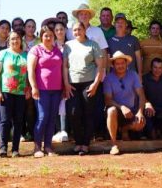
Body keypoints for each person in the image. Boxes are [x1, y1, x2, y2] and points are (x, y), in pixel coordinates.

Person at [63, 21, 105, 155]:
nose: (77, 32)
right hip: (72, 84)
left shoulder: (93, 45)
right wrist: (66, 84)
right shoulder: (68, 45)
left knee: (88, 113)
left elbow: (100, 66)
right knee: (74, 113)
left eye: (79, 29)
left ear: (84, 30)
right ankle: (78, 141)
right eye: (74, 30)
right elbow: (65, 66)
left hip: (89, 83)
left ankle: (85, 143)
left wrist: (95, 84)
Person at [28, 25, 65, 157]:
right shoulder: (35, 50)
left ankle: (48, 146)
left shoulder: (58, 51)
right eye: (45, 35)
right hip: (41, 90)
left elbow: (63, 69)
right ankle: (37, 147)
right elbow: (30, 70)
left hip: (56, 90)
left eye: (50, 35)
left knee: (51, 118)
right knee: (42, 117)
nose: (48, 38)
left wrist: (64, 87)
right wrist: (34, 87)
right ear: (41, 37)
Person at [0, 31, 30, 158]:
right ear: (9, 41)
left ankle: (15, 149)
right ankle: (3, 148)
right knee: (5, 121)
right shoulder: (3, 54)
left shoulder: (26, 55)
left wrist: (28, 88)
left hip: (20, 92)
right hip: (6, 91)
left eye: (17, 38)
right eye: (12, 39)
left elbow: (28, 75)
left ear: (21, 40)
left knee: (19, 121)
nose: (15, 41)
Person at [103, 51, 147, 155]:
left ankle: (123, 129)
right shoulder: (108, 78)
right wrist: (122, 107)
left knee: (141, 123)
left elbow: (141, 95)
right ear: (113, 65)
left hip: (131, 111)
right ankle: (114, 145)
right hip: (116, 111)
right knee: (111, 110)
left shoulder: (133, 75)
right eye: (117, 64)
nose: (120, 66)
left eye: (122, 63)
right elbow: (107, 100)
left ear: (126, 63)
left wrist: (140, 112)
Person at [142, 57, 162, 139]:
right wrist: (146, 103)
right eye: (155, 67)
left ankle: (160, 131)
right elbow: (140, 94)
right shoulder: (144, 78)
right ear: (151, 68)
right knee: (149, 130)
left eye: (160, 68)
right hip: (149, 110)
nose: (157, 70)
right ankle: (151, 132)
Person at [108, 13, 142, 78]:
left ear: (126, 24)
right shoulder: (109, 40)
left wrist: (140, 74)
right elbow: (107, 61)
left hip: (131, 76)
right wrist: (107, 75)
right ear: (114, 24)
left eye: (122, 22)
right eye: (118, 22)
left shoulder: (134, 39)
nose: (120, 24)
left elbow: (138, 58)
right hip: (114, 77)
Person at [52, 21, 70, 143]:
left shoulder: (71, 45)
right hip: (54, 79)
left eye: (61, 29)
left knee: (66, 105)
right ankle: (57, 131)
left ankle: (65, 130)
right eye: (57, 30)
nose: (59, 32)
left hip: (70, 79)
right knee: (56, 105)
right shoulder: (51, 45)